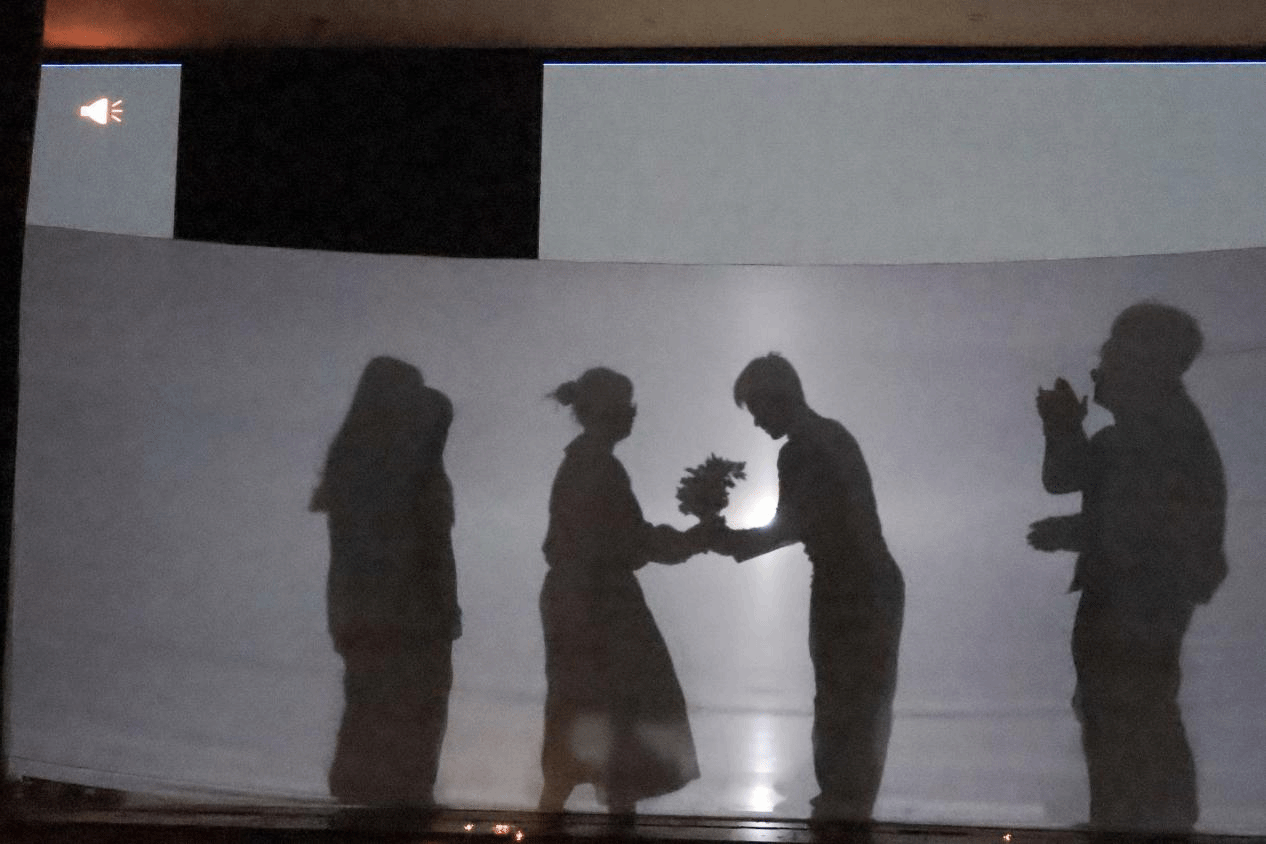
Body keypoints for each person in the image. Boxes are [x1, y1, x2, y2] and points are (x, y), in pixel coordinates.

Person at [1030, 302, 1226, 832]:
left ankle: (1135, 824)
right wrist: (1062, 425)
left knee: (1128, 716)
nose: (1101, 365)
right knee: (1122, 714)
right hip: (1128, 599)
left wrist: (1070, 532)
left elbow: (1143, 527)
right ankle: (1128, 822)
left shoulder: (1163, 435)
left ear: (1145, 360)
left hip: (1136, 604)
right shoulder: (1140, 433)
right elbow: (1067, 478)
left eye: (1112, 353)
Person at [711, 353, 904, 823]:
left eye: (758, 408)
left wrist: (723, 539)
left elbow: (789, 526)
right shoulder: (833, 435)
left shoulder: (800, 450)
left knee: (840, 700)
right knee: (865, 702)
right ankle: (849, 806)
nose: (756, 422)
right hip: (871, 583)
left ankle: (841, 807)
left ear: (779, 398)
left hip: (850, 589)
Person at [539, 367, 708, 817]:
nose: (633, 414)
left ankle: (556, 816)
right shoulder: (597, 466)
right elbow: (630, 542)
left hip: (581, 599)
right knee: (618, 710)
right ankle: (598, 818)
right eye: (626, 406)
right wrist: (695, 539)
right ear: (607, 411)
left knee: (585, 710)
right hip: (597, 604)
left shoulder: (587, 462)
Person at [311, 356, 461, 807]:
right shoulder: (398, 473)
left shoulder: (358, 468)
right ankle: (392, 802)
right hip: (405, 616)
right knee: (403, 712)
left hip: (369, 613)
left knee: (373, 710)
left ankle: (370, 801)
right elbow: (421, 550)